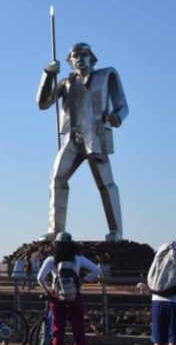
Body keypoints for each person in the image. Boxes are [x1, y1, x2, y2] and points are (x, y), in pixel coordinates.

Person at [36, 42, 129, 241]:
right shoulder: (66, 82)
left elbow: (122, 106)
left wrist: (117, 116)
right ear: (70, 61)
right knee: (56, 178)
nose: (79, 58)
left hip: (95, 137)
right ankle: (55, 230)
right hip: (73, 138)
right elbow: (43, 103)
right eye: (74, 56)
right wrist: (48, 74)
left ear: (91, 57)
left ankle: (116, 232)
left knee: (105, 183)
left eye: (83, 54)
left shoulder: (106, 75)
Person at [36, 232, 101, 345]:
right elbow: (97, 271)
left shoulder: (51, 259)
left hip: (57, 297)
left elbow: (40, 277)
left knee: (58, 330)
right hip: (74, 296)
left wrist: (48, 291)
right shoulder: (78, 258)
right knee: (79, 331)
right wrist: (84, 280)